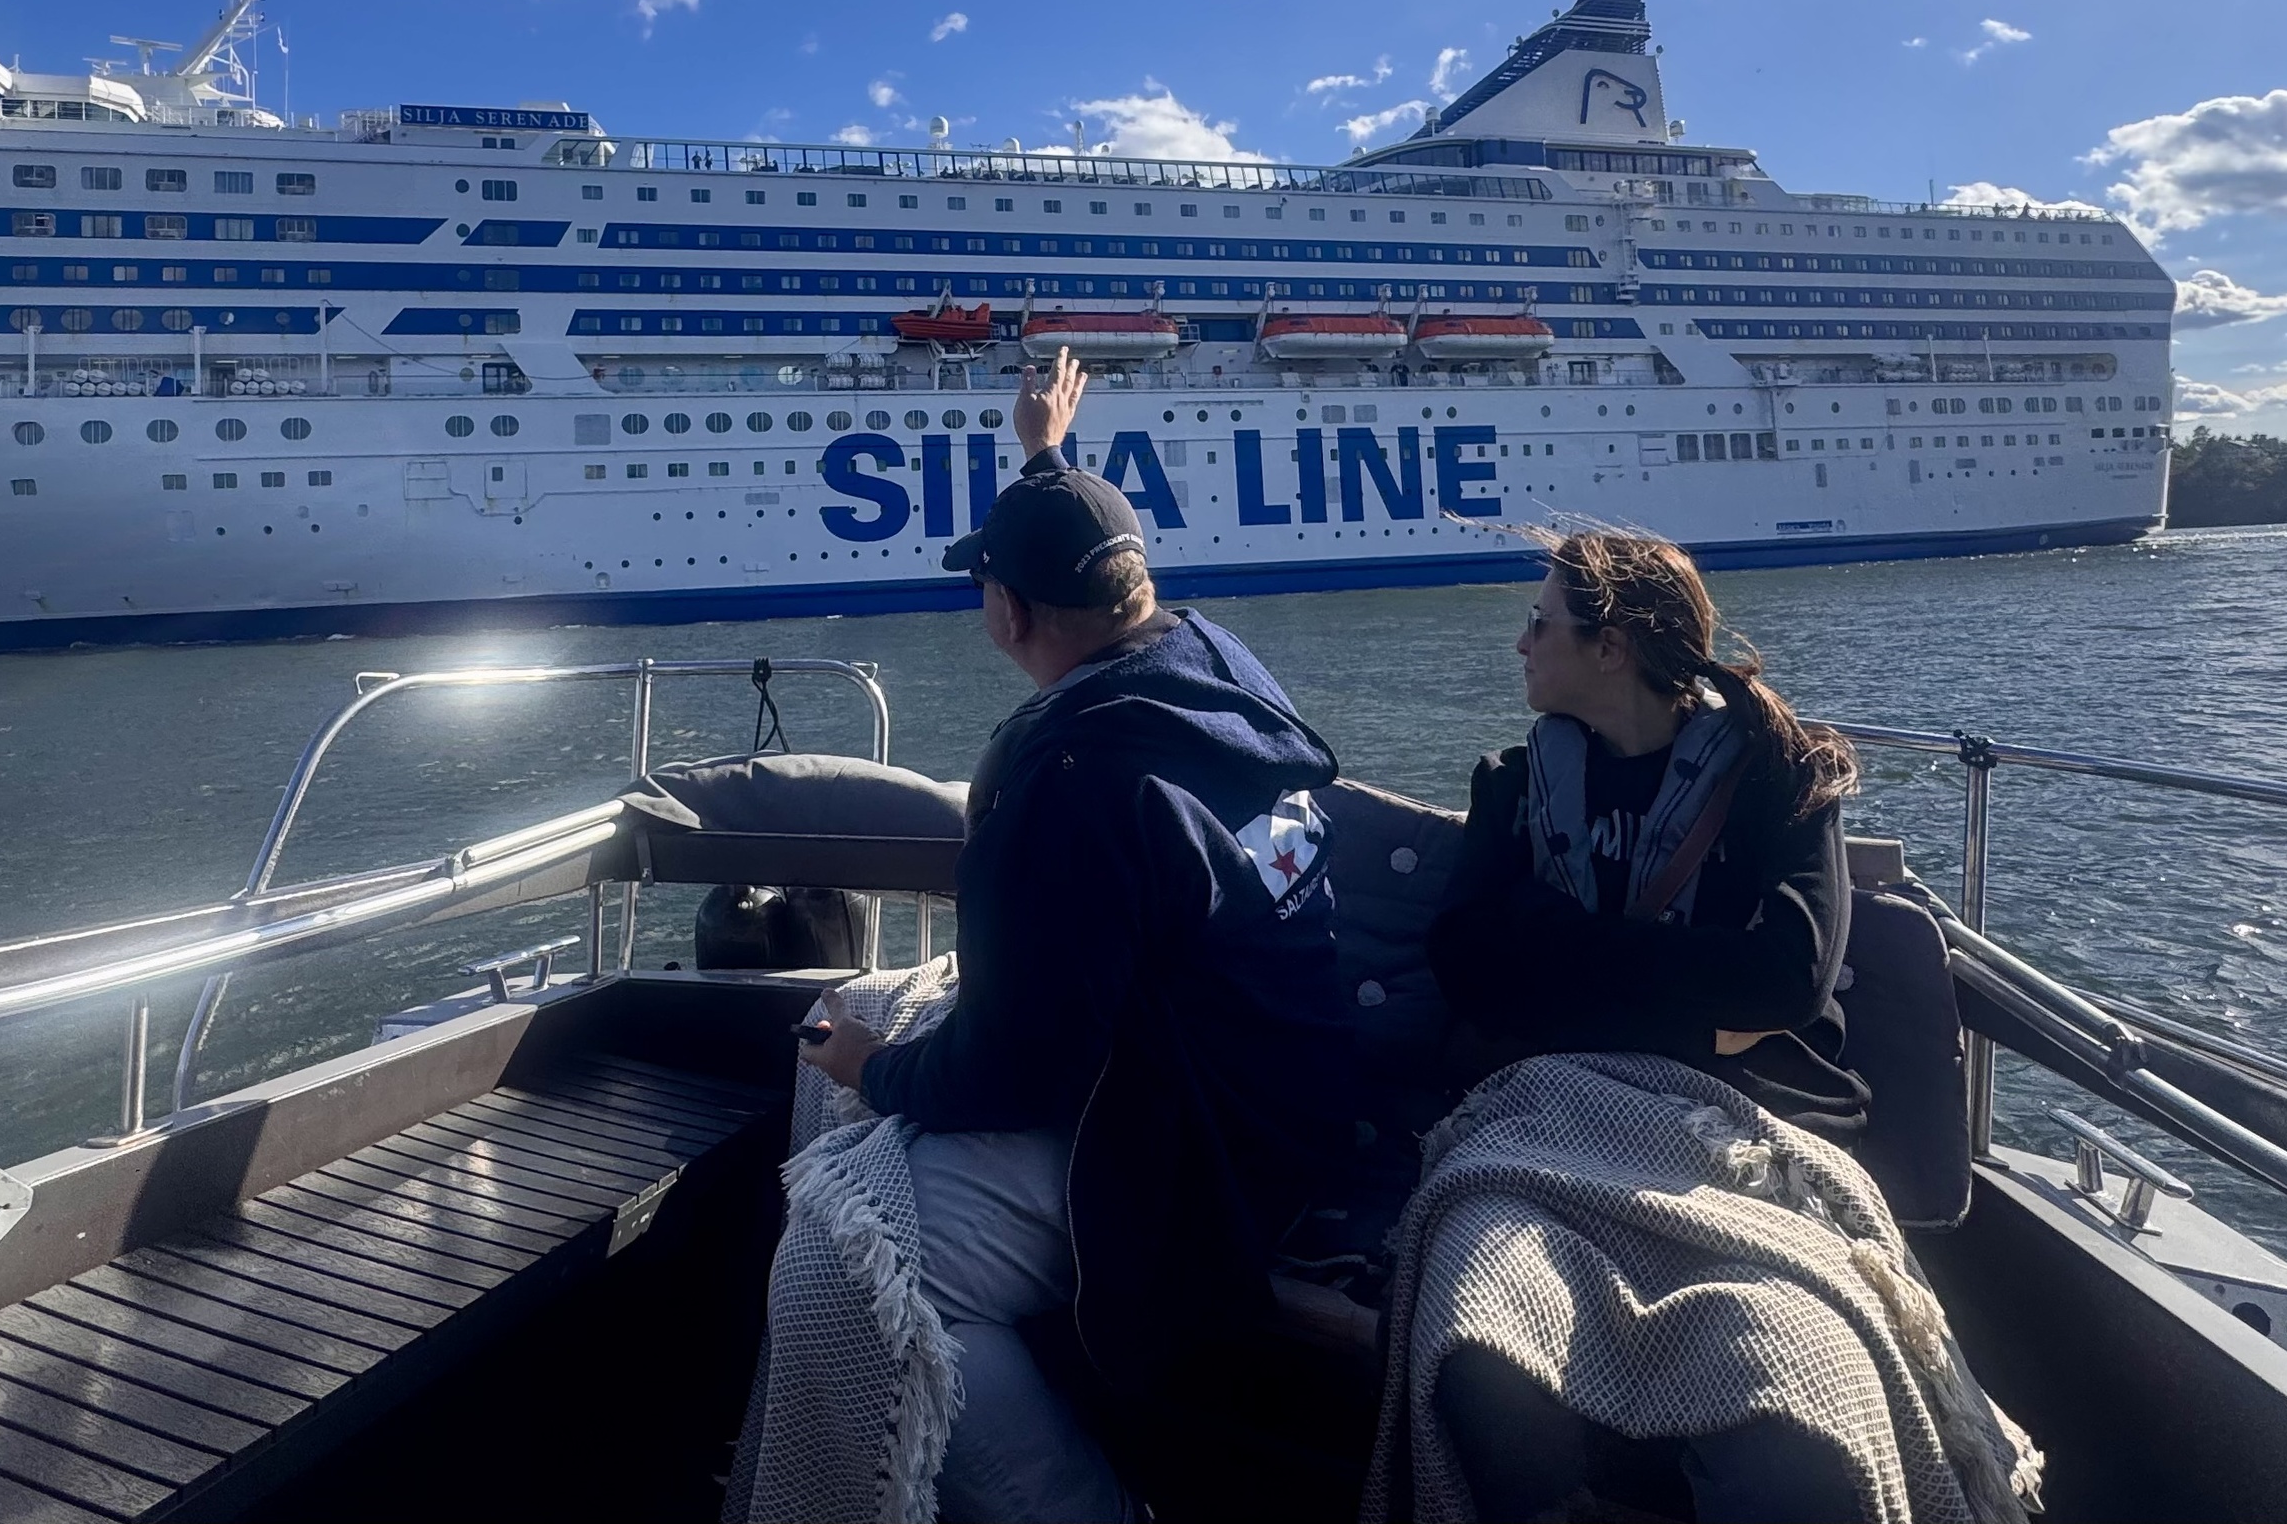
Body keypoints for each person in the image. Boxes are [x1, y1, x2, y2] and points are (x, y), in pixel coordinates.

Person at [797, 348, 1355, 1524]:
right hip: (1292, 1082)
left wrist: (873, 1067)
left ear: (1005, 613)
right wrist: (1045, 457)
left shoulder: (1069, 783)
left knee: (856, 1267)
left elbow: (1024, 1069)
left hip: (1193, 1146)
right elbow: (1084, 555)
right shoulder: (1217, 666)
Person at [1428, 527, 1867, 1137]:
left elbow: (1790, 982)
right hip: (1562, 1104)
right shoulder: (1512, 785)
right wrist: (1700, 1017)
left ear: (1608, 647)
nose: (1520, 644)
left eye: (1539, 621)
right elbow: (1464, 965)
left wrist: (1539, 932)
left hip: (1750, 1120)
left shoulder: (1781, 776)